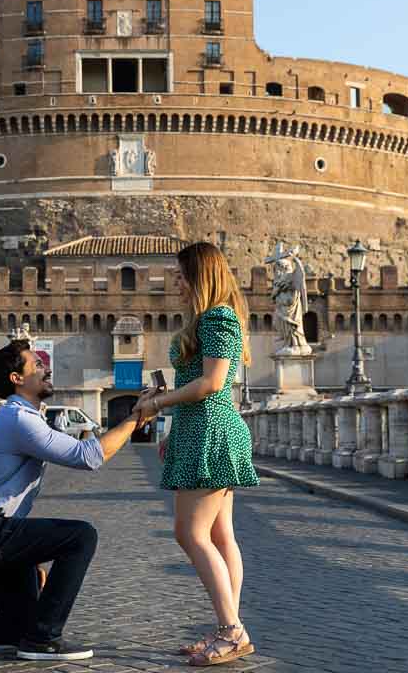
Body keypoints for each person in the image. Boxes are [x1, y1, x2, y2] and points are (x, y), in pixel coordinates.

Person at [0, 339, 145, 662]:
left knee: (24, 625)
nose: (46, 368)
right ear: (16, 379)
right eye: (36, 365)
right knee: (81, 537)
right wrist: (135, 418)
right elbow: (88, 456)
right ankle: (45, 641)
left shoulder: (24, 418)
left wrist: (29, 556)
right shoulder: (18, 420)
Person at [135, 241, 260, 666]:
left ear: (199, 275)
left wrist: (158, 405)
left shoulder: (220, 317)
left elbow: (212, 383)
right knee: (221, 535)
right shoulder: (206, 320)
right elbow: (199, 383)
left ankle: (231, 630)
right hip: (198, 428)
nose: (175, 280)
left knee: (189, 533)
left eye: (180, 273)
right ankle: (230, 625)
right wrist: (171, 418)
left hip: (212, 430)